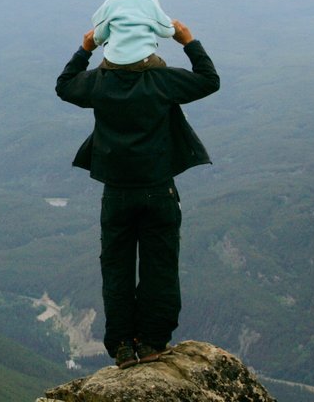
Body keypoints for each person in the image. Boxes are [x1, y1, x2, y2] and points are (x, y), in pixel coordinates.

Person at [55, 19, 219, 369]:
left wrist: (85, 48)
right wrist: (188, 40)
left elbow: (65, 86)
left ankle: (123, 348)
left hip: (116, 193)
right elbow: (209, 80)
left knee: (117, 268)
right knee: (159, 266)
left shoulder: (100, 82)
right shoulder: (162, 80)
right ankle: (152, 342)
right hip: (158, 190)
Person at [92, 0, 174, 71]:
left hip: (113, 62)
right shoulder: (150, 3)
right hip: (144, 61)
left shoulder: (110, 3)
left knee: (97, 77)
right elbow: (167, 32)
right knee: (163, 71)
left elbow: (98, 37)